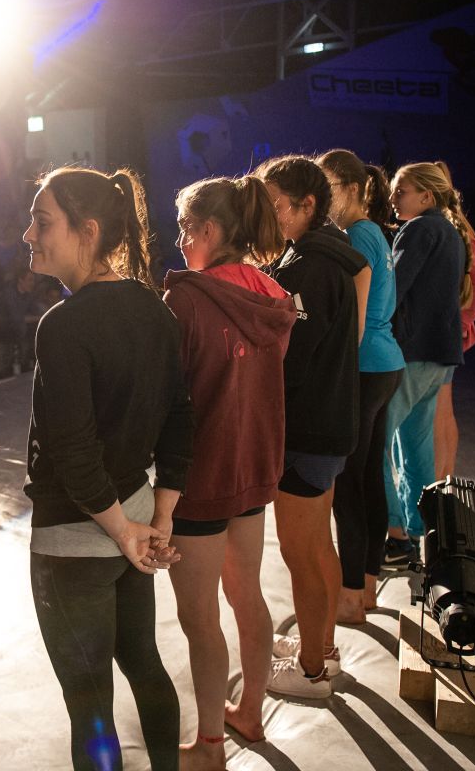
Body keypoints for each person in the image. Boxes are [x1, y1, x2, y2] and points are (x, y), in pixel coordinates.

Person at [23, 166, 192, 771]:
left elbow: (73, 451)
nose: (28, 235)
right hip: (137, 516)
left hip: (79, 536)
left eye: (42, 222)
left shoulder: (63, 326)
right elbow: (180, 417)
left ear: (87, 231)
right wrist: (157, 518)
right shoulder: (153, 309)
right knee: (144, 662)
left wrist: (122, 532)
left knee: (89, 702)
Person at [162, 175, 294, 759]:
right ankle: (251, 713)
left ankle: (210, 743)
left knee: (200, 619)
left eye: (185, 230)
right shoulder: (273, 294)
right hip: (253, 469)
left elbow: (169, 396)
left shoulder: (187, 299)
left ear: (211, 230)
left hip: (199, 477)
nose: (180, 243)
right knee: (249, 596)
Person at [258, 155, 367, 699]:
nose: (266, 213)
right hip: (327, 425)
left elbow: (292, 359)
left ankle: (311, 672)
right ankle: (321, 647)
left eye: (275, 204)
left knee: (300, 553)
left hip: (308, 431)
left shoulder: (310, 267)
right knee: (318, 546)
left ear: (307, 205)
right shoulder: (325, 256)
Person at [316, 149, 406, 622]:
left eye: (327, 187)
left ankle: (352, 593)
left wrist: (336, 364)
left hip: (366, 366)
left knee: (351, 482)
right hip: (383, 363)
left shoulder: (357, 235)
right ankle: (366, 585)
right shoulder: (372, 232)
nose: (321, 197)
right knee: (368, 476)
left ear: (351, 189)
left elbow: (356, 311)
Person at [383, 163, 468, 564]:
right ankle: (421, 534)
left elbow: (393, 290)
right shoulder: (450, 232)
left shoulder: (418, 230)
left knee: (374, 445)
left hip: (412, 354)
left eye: (401, 191)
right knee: (416, 448)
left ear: (426, 196)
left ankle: (395, 535)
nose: (392, 198)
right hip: (440, 355)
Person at [432, 161, 475, 479]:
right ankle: (444, 479)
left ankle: (438, 483)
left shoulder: (446, 229)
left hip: (441, 333)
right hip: (448, 332)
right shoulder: (458, 227)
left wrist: (461, 322)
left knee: (436, 413)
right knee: (443, 409)